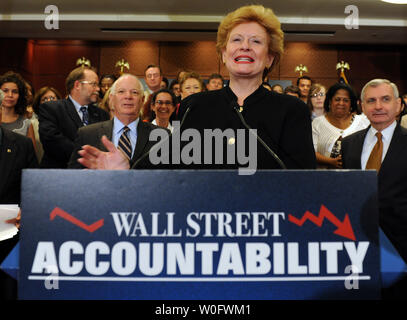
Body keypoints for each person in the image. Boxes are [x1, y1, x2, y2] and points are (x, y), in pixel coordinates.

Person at [77, 5, 316, 171]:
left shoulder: (292, 109)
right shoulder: (196, 106)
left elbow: (301, 178)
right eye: (236, 40)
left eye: (256, 41)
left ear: (270, 58)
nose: (245, 47)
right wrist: (129, 171)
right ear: (224, 54)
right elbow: (171, 162)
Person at [341, 79, 407, 262]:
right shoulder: (348, 144)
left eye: (385, 99)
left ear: (398, 105)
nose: (378, 106)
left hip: (401, 244)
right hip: (357, 241)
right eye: (371, 101)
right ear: (361, 106)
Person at [69, 74, 166, 169]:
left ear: (142, 100)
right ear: (111, 99)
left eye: (135, 92)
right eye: (121, 91)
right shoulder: (87, 134)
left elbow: (170, 178)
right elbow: (73, 177)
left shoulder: (161, 136)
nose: (128, 96)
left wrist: (127, 167)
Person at [38, 66, 110, 168]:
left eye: (98, 85)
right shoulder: (52, 109)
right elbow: (51, 140)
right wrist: (87, 156)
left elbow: (104, 144)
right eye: (93, 84)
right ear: (77, 85)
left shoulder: (102, 114)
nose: (98, 89)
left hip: (92, 176)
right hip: (59, 174)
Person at [312, 82, 369, 169]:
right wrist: (330, 161)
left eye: (346, 100)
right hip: (324, 177)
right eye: (337, 99)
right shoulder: (317, 123)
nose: (341, 103)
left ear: (351, 103)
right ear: (330, 101)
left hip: (357, 176)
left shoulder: (364, 121)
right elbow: (311, 152)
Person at [0, 71, 36, 151]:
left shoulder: (26, 123)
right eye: (5, 91)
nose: (10, 95)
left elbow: (31, 157)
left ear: (20, 96)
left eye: (14, 92)